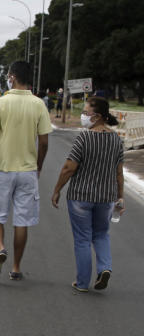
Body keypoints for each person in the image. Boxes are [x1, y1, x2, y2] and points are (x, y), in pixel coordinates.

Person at [0, 60, 51, 281]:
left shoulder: (2, 102)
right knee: (22, 220)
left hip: (3, 169)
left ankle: (0, 248)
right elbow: (44, 142)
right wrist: (38, 166)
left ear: (11, 76)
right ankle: (16, 268)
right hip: (28, 171)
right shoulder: (39, 104)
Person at [50, 97, 125, 292]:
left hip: (81, 196)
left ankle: (82, 283)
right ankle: (105, 268)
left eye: (86, 112)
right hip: (106, 197)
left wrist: (57, 189)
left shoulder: (85, 137)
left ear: (98, 116)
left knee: (82, 239)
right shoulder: (117, 140)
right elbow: (119, 172)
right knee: (101, 235)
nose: (83, 116)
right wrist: (120, 197)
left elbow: (68, 167)